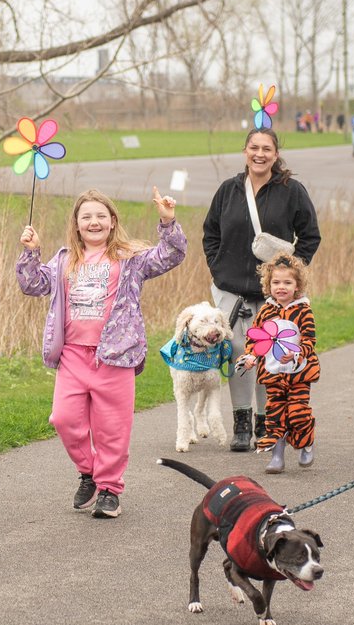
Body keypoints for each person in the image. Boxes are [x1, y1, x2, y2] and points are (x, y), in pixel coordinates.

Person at [17, 188, 185, 519]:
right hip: (73, 356)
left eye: (100, 216)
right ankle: (89, 472)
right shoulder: (65, 260)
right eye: (86, 217)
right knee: (63, 418)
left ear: (112, 222)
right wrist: (31, 253)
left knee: (112, 428)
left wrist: (167, 220)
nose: (94, 222)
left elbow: (171, 255)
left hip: (115, 356)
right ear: (77, 225)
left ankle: (109, 489)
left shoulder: (130, 259)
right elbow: (32, 285)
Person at [203, 128, 321, 451]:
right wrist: (218, 266)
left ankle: (266, 420)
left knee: (270, 354)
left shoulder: (291, 191)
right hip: (230, 289)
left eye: (266, 148)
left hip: (275, 293)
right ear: (245, 152)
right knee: (240, 351)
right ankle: (241, 420)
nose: (260, 154)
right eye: (253, 147)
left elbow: (310, 235)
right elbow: (210, 231)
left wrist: (292, 273)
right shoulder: (228, 191)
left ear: (276, 154)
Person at [236, 253, 321, 474]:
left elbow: (309, 340)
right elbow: (256, 339)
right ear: (268, 285)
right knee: (274, 413)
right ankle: (277, 456)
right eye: (275, 282)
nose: (280, 287)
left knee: (297, 411)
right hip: (273, 373)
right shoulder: (265, 311)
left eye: (287, 282)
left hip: (299, 373)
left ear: (297, 285)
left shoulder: (303, 310)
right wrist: (251, 356)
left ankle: (306, 443)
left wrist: (296, 355)